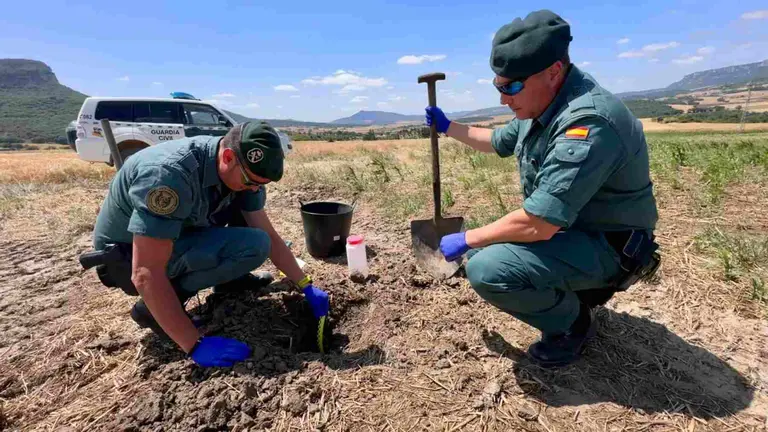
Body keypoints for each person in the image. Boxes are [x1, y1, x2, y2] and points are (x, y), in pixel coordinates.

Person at [426, 9, 660, 367]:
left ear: (553, 71)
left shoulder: (588, 122)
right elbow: (496, 141)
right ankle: (569, 294)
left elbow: (539, 223)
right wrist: (448, 127)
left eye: (511, 87)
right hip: (574, 231)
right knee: (487, 247)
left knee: (487, 268)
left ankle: (572, 323)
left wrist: (469, 237)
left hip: (611, 246)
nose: (504, 98)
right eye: (498, 86)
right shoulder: (542, 104)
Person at [81, 121, 329, 368]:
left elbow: (269, 235)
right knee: (254, 244)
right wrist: (193, 344)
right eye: (251, 181)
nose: (255, 188)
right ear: (228, 157)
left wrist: (305, 285)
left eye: (261, 184)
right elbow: (145, 272)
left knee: (256, 235)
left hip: (176, 234)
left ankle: (231, 282)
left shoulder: (240, 169)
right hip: (125, 256)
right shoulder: (168, 176)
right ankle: (152, 310)